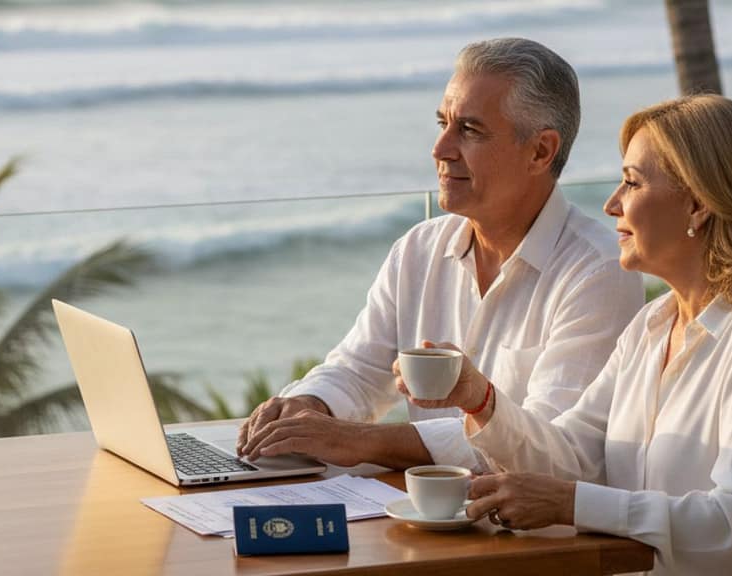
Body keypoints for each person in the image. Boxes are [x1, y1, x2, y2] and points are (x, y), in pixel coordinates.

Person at [397, 94, 732, 575]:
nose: (611, 203)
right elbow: (570, 455)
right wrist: (479, 397)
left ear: (699, 204)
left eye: (632, 183)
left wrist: (573, 504)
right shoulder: (651, 325)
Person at [236, 37, 644, 470]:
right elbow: (357, 371)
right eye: (442, 124)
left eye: (469, 130)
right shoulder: (419, 248)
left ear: (541, 151)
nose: (440, 149)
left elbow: (549, 444)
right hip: (423, 519)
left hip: (535, 532)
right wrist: (308, 407)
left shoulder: (598, 270)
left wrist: (360, 442)